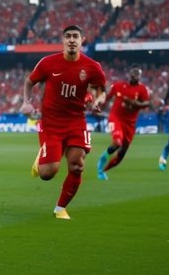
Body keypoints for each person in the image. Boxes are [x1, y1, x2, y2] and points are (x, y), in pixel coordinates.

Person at [22, 25, 107, 220]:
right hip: (51, 123)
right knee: (46, 173)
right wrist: (27, 102)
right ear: (62, 40)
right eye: (67, 36)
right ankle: (44, 154)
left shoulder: (92, 66)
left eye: (75, 36)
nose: (71, 40)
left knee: (77, 165)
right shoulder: (48, 63)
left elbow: (101, 88)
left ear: (82, 40)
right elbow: (29, 82)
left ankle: (60, 208)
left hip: (76, 121)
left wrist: (98, 101)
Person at [95, 67, 151, 180]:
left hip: (129, 124)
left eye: (137, 73)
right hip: (115, 118)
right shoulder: (118, 86)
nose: (135, 75)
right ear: (129, 74)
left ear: (140, 76)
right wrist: (99, 106)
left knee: (121, 154)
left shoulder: (142, 89)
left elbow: (146, 103)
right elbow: (107, 98)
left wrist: (135, 103)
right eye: (133, 72)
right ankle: (102, 161)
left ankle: (103, 170)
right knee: (117, 142)